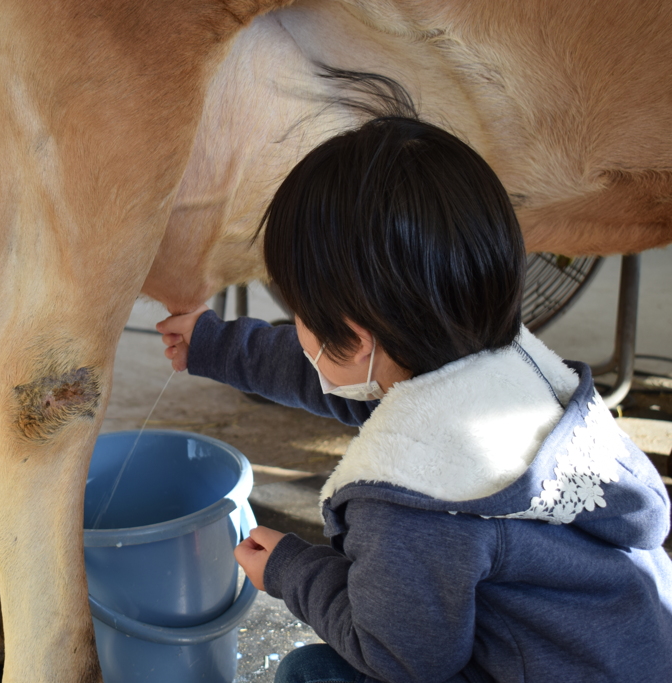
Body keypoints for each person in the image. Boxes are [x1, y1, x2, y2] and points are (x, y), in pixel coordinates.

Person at [156, 117, 672, 682]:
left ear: (354, 341)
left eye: (300, 312)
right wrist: (212, 344)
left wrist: (291, 569)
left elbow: (403, 660)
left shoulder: (416, 499)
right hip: (636, 651)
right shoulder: (513, 375)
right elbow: (338, 375)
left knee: (313, 674)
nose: (297, 328)